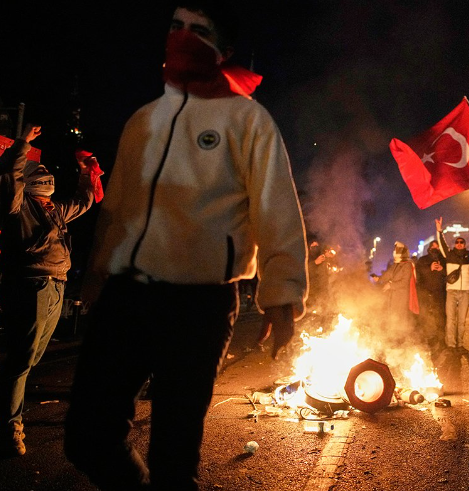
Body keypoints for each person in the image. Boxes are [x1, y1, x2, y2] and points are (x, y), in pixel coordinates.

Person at [64, 3, 308, 490]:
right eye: (176, 26)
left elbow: (276, 208)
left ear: (225, 51)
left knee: (174, 459)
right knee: (88, 436)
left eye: (199, 31)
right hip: (126, 297)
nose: (182, 37)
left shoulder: (247, 119)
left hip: (198, 304)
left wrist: (281, 298)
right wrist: (96, 272)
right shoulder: (143, 120)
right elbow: (117, 207)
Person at [0, 124, 96, 457]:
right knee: (22, 358)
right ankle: (10, 425)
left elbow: (85, 201)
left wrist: (85, 173)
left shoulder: (53, 210)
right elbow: (10, 178)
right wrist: (22, 144)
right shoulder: (18, 206)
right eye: (36, 170)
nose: (44, 173)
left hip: (57, 284)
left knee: (33, 356)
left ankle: (8, 411)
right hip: (32, 284)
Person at [436, 216, 469, 351]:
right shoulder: (449, 254)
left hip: (465, 291)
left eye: (461, 242)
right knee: (450, 320)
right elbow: (442, 243)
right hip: (451, 291)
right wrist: (439, 231)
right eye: (457, 242)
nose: (459, 244)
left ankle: (459, 343)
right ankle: (451, 344)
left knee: (461, 321)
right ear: (454, 244)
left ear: (465, 245)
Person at [379, 241, 419, 340]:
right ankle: (392, 342)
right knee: (392, 320)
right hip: (392, 298)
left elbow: (404, 282)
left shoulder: (407, 265)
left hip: (401, 298)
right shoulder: (396, 264)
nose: (393, 252)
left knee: (400, 321)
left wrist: (390, 285)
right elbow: (387, 275)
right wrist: (379, 279)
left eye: (395, 250)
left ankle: (401, 343)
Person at [415, 241, 447, 351]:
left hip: (439, 294)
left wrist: (442, 270)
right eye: (433, 246)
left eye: (437, 247)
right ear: (429, 248)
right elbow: (418, 275)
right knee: (424, 318)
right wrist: (429, 268)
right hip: (425, 293)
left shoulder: (444, 260)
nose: (435, 248)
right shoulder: (423, 260)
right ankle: (425, 341)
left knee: (440, 319)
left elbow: (449, 276)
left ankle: (441, 341)